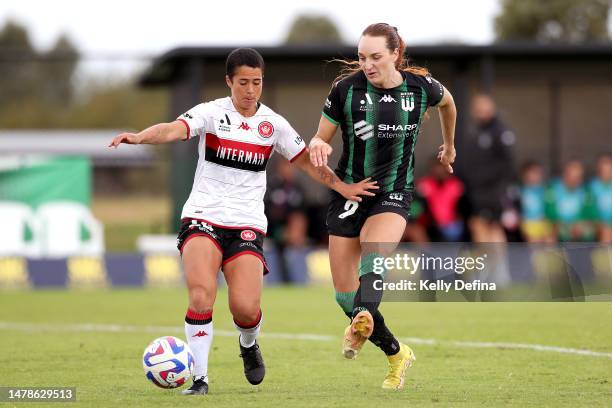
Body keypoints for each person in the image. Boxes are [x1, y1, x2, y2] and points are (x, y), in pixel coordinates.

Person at [109, 48, 377, 395]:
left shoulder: (274, 125)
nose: (251, 90)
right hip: (202, 216)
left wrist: (342, 186)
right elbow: (174, 130)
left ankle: (248, 343)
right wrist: (140, 136)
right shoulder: (210, 113)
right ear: (229, 82)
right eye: (243, 83)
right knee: (202, 296)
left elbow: (308, 164)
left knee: (246, 309)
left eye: (257, 82)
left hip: (246, 223)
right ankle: (200, 378)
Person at [309, 23, 457, 390]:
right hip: (350, 193)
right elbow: (319, 137)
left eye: (375, 57)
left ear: (396, 54)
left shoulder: (421, 88)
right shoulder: (345, 90)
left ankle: (362, 316)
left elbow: (449, 104)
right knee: (345, 295)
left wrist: (449, 145)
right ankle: (396, 353)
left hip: (394, 192)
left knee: (374, 254)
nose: (367, 64)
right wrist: (319, 146)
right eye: (361, 57)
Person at [457, 94, 516, 243]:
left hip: (492, 191)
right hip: (477, 191)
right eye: (476, 109)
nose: (479, 112)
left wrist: (498, 187)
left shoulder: (499, 132)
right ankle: (492, 265)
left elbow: (507, 162)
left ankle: (495, 266)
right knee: (481, 226)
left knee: (487, 226)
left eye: (482, 108)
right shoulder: (477, 131)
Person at [545, 159, 595, 242]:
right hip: (558, 223)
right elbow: (549, 211)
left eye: (579, 177)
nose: (576, 180)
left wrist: (578, 223)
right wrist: (562, 224)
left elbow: (589, 211)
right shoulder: (552, 188)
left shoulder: (585, 190)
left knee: (590, 230)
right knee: (550, 233)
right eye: (573, 176)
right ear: (565, 173)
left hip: (578, 223)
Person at [519, 161, 553, 243]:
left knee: (550, 240)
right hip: (529, 223)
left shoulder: (545, 190)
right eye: (534, 173)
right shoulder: (521, 191)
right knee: (534, 241)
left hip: (544, 221)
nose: (537, 176)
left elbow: (549, 206)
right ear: (525, 175)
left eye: (539, 173)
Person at [589, 153, 612, 243]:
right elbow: (590, 211)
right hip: (598, 224)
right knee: (606, 233)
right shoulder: (592, 187)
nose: (606, 170)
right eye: (603, 166)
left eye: (609, 166)